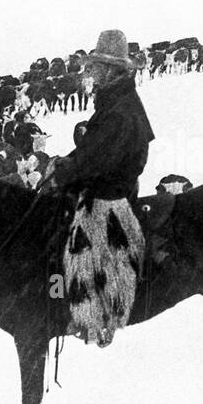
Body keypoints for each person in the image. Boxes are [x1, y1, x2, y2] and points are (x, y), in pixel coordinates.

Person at [37, 29, 155, 347]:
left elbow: (96, 159)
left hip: (109, 194)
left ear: (111, 69)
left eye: (97, 66)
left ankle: (97, 319)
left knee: (81, 252)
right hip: (107, 183)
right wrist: (65, 162)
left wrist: (65, 175)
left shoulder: (120, 110)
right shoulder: (114, 100)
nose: (91, 72)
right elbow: (91, 149)